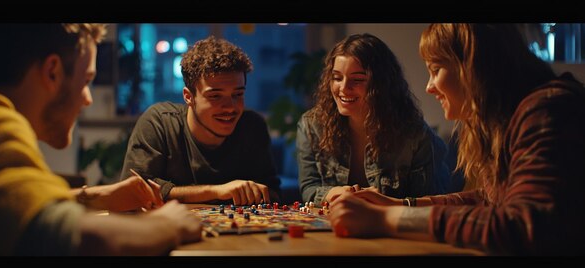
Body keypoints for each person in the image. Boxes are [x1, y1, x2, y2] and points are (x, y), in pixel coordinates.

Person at [327, 24, 585, 255]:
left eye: (436, 69)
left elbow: (522, 225)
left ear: (474, 67)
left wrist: (387, 219)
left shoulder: (548, 110)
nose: (429, 86)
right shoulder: (515, 117)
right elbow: (490, 199)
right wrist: (403, 204)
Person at [0, 24, 201, 256]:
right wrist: (167, 224)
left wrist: (97, 196)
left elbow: (8, 211)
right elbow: (77, 239)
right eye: (86, 81)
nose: (87, 99)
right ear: (52, 72)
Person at [296, 33, 457, 206]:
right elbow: (308, 188)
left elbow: (430, 203)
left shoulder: (415, 136)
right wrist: (334, 193)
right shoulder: (312, 126)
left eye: (357, 79)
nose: (343, 88)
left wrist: (383, 203)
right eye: (336, 78)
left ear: (381, 85)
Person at [120, 36, 281, 206]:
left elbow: (272, 192)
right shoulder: (160, 123)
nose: (230, 107)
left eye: (238, 94)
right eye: (215, 96)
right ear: (189, 97)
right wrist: (216, 191)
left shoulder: (252, 127)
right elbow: (134, 192)